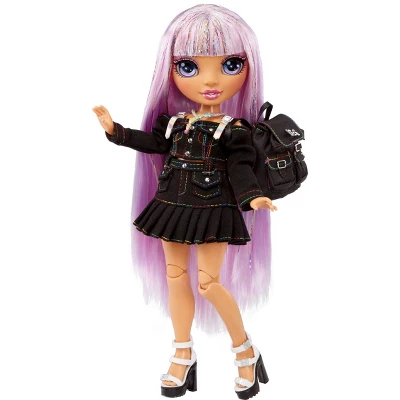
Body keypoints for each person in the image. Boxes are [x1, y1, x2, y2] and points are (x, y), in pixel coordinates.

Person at [93, 4, 276, 399]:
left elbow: (241, 169)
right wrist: (116, 131)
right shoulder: (174, 123)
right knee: (175, 277)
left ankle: (245, 351)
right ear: (170, 69)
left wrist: (253, 197)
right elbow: (153, 144)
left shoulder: (235, 129)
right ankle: (182, 353)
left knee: (209, 284)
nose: (210, 80)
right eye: (189, 67)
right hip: (171, 207)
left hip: (213, 211)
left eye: (230, 65)